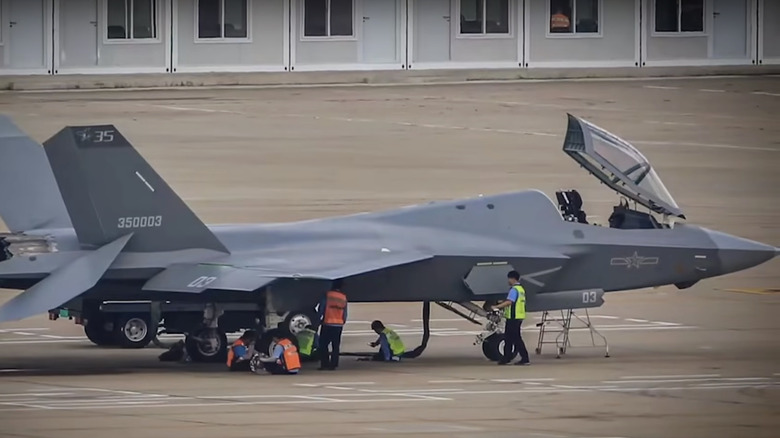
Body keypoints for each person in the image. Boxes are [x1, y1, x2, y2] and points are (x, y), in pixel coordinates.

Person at [491, 271, 530, 366]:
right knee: (509, 338)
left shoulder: (514, 290)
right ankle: (506, 358)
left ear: (513, 279)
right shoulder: (521, 289)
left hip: (513, 317)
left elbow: (509, 302)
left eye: (509, 278)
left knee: (515, 338)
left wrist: (497, 306)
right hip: (518, 316)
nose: (508, 281)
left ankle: (524, 358)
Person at [318, 280, 348, 370]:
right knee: (335, 345)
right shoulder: (343, 297)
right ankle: (334, 364)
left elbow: (321, 308)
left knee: (323, 344)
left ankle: (325, 364)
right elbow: (345, 313)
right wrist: (342, 321)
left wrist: (319, 319)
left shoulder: (327, 295)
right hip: (338, 324)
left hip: (328, 323)